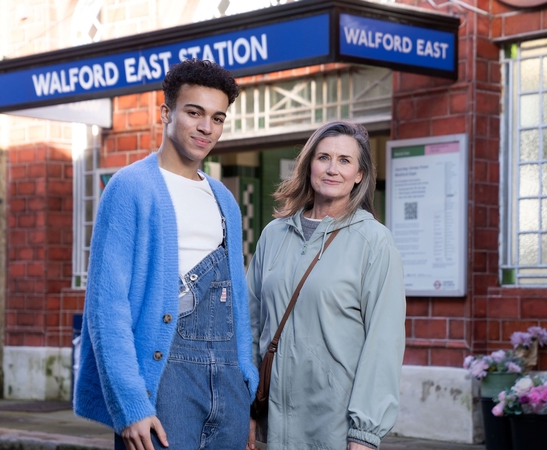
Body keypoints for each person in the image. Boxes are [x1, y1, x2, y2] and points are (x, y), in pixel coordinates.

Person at [73, 59, 258, 450]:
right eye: (194, 113)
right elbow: (107, 307)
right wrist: (131, 403)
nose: (207, 127)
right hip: (163, 380)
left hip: (228, 387)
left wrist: (246, 382)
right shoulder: (130, 188)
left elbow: (236, 302)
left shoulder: (224, 199)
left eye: (218, 118)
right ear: (166, 113)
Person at [247, 121, 406, 450]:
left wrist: (364, 433)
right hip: (271, 423)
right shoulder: (273, 235)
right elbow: (248, 325)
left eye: (345, 161)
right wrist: (244, 407)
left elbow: (383, 343)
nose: (333, 169)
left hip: (334, 425)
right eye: (324, 158)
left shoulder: (374, 241)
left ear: (359, 175)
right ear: (308, 166)